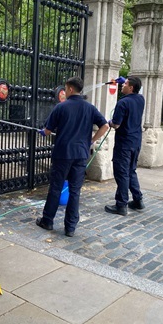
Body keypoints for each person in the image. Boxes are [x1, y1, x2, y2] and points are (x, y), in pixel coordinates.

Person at [36, 76, 109, 237]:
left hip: (63, 153)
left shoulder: (61, 107)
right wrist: (92, 140)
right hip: (81, 154)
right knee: (75, 190)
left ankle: (47, 220)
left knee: (56, 187)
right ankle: (70, 227)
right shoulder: (90, 108)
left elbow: (47, 130)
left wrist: (43, 132)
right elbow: (105, 125)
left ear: (69, 89)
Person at [105, 76, 145, 216]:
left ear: (131, 87)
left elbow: (116, 124)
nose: (122, 86)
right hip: (136, 141)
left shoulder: (122, 103)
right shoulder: (140, 99)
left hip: (124, 143)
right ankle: (138, 200)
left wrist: (108, 122)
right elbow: (136, 92)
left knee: (121, 173)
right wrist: (125, 82)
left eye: (125, 84)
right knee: (131, 171)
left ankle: (121, 205)